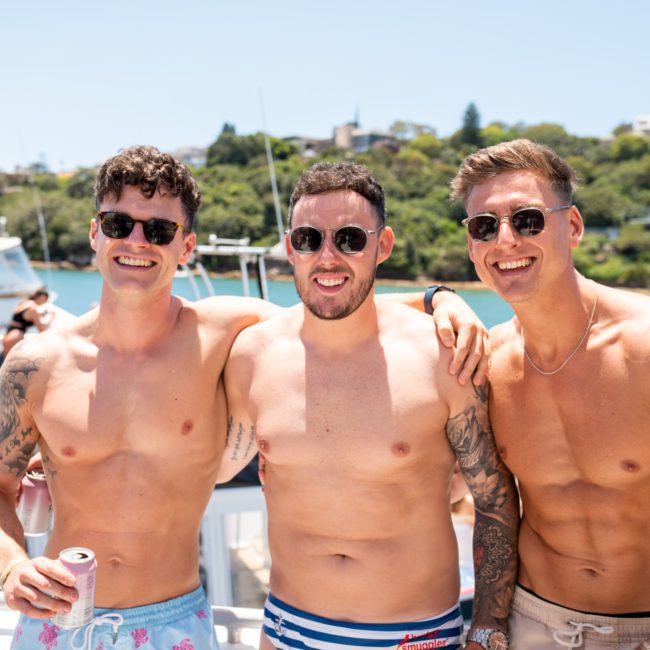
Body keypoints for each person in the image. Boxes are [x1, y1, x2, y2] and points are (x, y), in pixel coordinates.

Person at [0, 146, 488, 649]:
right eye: (119, 223)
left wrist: (438, 297)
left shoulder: (223, 333)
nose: (137, 242)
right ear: (94, 232)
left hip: (174, 622)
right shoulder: (35, 365)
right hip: (56, 621)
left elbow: (332, 298)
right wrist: (12, 566)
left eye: (160, 230)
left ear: (185, 246)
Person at [220, 162, 520, 650]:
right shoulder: (251, 356)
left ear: (382, 246)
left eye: (351, 239)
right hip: (287, 630)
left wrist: (487, 626)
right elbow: (200, 466)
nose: (328, 256)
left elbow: (493, 501)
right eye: (309, 239)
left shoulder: (444, 356)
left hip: (415, 635)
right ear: (290, 247)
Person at [451, 139, 650, 649]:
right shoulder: (486, 366)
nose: (506, 240)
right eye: (484, 226)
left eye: (529, 220)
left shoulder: (642, 347)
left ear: (574, 226)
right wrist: (489, 626)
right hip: (534, 624)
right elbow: (496, 511)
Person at [2, 289, 53, 358]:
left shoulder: (24, 302)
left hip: (9, 332)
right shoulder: (33, 309)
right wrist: (51, 318)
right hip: (16, 335)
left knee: (4, 361)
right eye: (44, 300)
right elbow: (41, 329)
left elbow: (24, 316)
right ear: (40, 298)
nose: (44, 302)